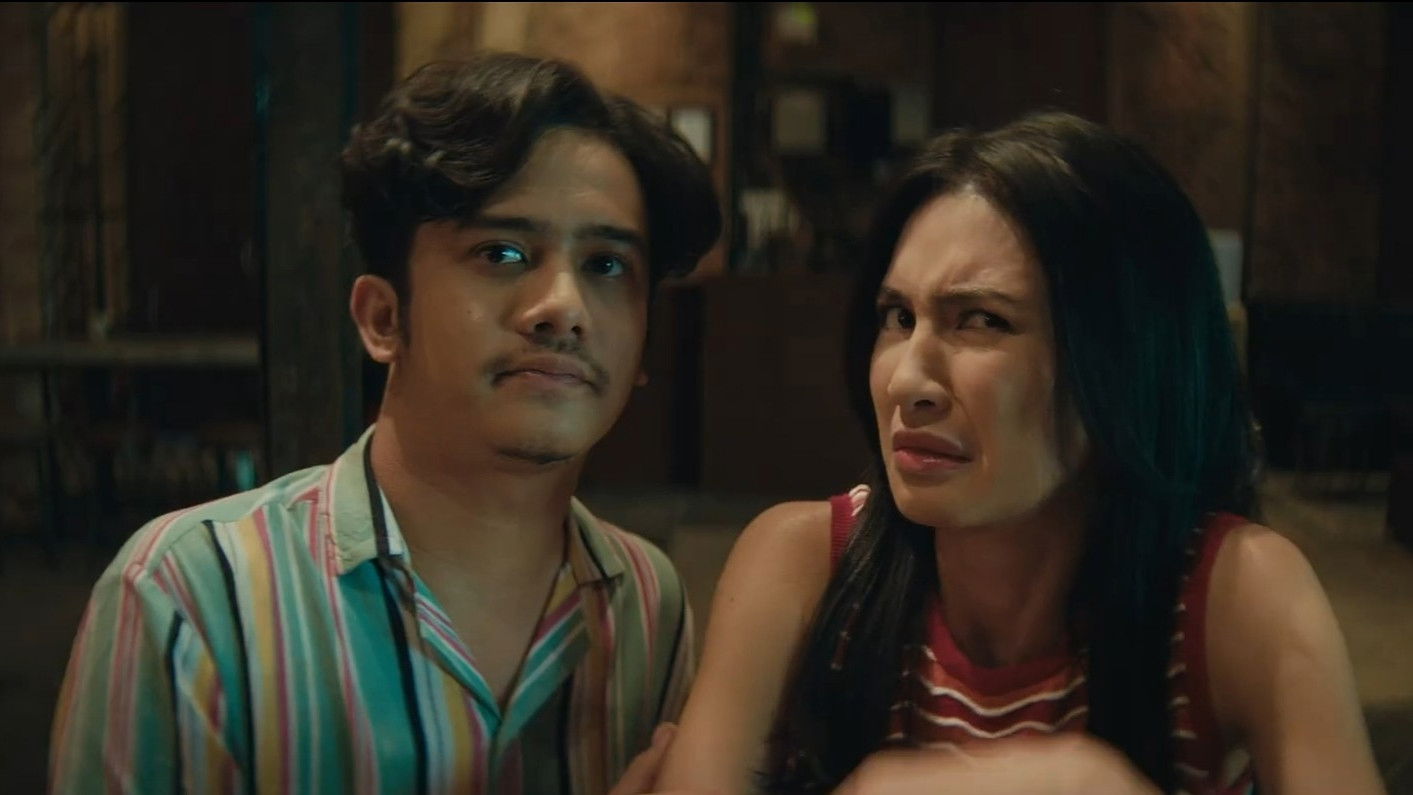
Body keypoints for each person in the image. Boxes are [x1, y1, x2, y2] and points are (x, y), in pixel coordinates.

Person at [655, 112, 1384, 794]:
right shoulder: (806, 568)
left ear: (1126, 359)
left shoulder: (1230, 595)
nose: (906, 380)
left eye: (980, 320)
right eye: (898, 316)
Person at [50, 53, 720, 794]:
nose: (563, 306)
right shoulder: (194, 594)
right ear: (382, 317)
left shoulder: (647, 603)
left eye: (607, 266)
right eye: (502, 252)